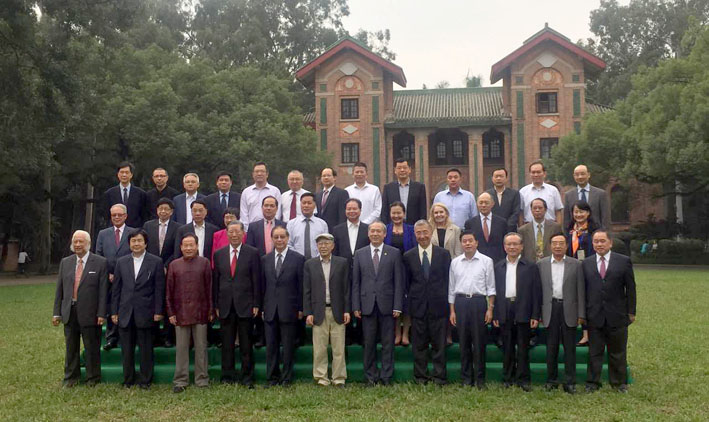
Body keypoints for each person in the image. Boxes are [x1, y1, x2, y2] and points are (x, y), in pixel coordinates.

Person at [582, 230, 636, 393]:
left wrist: (631, 311)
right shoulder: (586, 263)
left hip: (617, 314)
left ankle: (619, 383)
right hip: (594, 315)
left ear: (610, 243)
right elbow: (583, 291)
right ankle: (592, 382)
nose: (599, 244)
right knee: (594, 352)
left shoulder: (623, 261)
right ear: (592, 244)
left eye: (602, 241)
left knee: (617, 351)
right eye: (596, 241)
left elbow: (630, 288)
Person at [110, 229, 165, 389]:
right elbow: (116, 289)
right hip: (125, 311)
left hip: (146, 311)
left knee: (146, 349)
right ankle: (128, 379)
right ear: (129, 244)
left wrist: (158, 311)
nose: (136, 244)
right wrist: (114, 311)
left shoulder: (156, 262)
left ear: (145, 243)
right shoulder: (121, 262)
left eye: (139, 240)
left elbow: (159, 289)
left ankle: (145, 380)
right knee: (126, 349)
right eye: (133, 241)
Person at [52, 230, 108, 387]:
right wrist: (56, 313)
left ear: (88, 243)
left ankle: (93, 378)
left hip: (91, 312)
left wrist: (102, 313)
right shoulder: (65, 262)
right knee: (71, 347)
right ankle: (71, 378)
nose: (77, 245)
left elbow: (103, 291)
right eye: (75, 242)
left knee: (91, 347)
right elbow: (60, 290)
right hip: (69, 311)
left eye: (80, 241)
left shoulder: (100, 262)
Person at [352, 222, 404, 385]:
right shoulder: (359, 254)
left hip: (388, 305)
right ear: (368, 234)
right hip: (367, 305)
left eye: (378, 231)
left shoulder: (394, 253)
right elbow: (356, 282)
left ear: (384, 234)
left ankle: (386, 376)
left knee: (388, 343)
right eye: (372, 231)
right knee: (369, 342)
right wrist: (356, 306)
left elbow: (399, 281)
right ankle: (370, 376)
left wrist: (397, 305)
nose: (375, 234)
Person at [212, 221, 261, 387]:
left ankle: (247, 377)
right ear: (226, 234)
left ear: (243, 234)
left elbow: (256, 280)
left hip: (246, 304)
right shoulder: (219, 254)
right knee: (227, 344)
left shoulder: (252, 253)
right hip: (225, 305)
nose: (234, 235)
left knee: (246, 344)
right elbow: (216, 281)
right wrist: (216, 305)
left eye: (237, 232)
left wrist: (256, 303)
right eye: (231, 232)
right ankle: (227, 376)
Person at [403, 220, 452, 385]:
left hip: (439, 306)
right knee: (419, 345)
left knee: (439, 344)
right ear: (414, 235)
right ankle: (420, 376)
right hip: (418, 307)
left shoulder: (443, 254)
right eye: (419, 233)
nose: (422, 236)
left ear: (431, 233)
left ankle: (439, 376)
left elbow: (448, 280)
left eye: (425, 232)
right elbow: (407, 283)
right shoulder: (408, 256)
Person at [493, 232, 542, 391]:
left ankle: (523, 379)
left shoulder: (531, 266)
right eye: (509, 244)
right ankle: (508, 378)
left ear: (521, 246)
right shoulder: (498, 266)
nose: (512, 247)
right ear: (504, 247)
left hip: (524, 308)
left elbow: (536, 292)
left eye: (515, 244)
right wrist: (495, 314)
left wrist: (535, 315)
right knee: (507, 346)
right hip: (505, 308)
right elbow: (494, 292)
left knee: (522, 347)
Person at [538, 234, 585, 394]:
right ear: (550, 246)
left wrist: (581, 313)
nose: (558, 246)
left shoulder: (576, 264)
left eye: (561, 243)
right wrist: (537, 313)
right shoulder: (541, 264)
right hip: (550, 309)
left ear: (566, 246)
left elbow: (581, 290)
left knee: (569, 348)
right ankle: (551, 380)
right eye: (554, 243)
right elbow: (537, 291)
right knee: (551, 347)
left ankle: (569, 382)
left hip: (569, 309)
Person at [166, 233, 213, 393]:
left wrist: (210, 310)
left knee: (201, 348)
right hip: (180, 313)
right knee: (181, 349)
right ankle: (180, 381)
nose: (188, 248)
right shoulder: (174, 265)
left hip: (201, 312)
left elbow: (209, 288)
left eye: (191, 245)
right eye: (185, 245)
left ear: (197, 246)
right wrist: (171, 312)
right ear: (180, 247)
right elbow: (169, 291)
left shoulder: (204, 263)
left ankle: (202, 379)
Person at [448, 230, 495, 389]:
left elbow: (491, 287)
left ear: (476, 242)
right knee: (464, 342)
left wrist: (490, 309)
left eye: (470, 240)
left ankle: (480, 379)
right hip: (461, 303)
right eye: (464, 241)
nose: (467, 243)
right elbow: (451, 288)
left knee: (479, 342)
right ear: (461, 244)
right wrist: (452, 311)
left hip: (478, 302)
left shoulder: (486, 261)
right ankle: (466, 378)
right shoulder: (455, 262)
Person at [303, 233, 351, 386]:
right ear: (317, 246)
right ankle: (321, 377)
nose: (323, 246)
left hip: (337, 310)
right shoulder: (310, 264)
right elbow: (306, 290)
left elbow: (346, 288)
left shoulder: (342, 263)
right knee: (319, 348)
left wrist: (347, 310)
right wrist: (308, 312)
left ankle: (339, 378)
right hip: (318, 311)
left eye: (326, 243)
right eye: (320, 244)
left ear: (333, 246)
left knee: (338, 348)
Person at [261, 226, 305, 386]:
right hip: (270, 309)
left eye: (282, 237)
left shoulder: (298, 259)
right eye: (276, 237)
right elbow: (262, 286)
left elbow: (301, 286)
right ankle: (272, 377)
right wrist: (262, 307)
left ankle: (286, 377)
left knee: (288, 346)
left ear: (287, 239)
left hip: (290, 309)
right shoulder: (265, 259)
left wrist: (300, 308)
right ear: (272, 239)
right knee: (271, 346)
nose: (279, 240)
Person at [143, 197, 182, 347]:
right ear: (157, 210)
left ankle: (168, 337)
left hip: (168, 269)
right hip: (150, 269)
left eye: (166, 209)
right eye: (161, 209)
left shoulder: (178, 227)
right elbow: (145, 247)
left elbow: (176, 250)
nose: (163, 211)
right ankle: (153, 336)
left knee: (167, 301)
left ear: (171, 212)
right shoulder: (148, 225)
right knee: (152, 300)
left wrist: (166, 266)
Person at [96, 203, 134, 350]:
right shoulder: (103, 234)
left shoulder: (133, 232)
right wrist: (108, 274)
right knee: (111, 306)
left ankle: (128, 337)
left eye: (120, 215)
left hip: (128, 278)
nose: (117, 217)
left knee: (127, 306)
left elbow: (136, 253)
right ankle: (111, 338)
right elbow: (99, 255)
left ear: (126, 216)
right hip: (109, 278)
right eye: (114, 215)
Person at [332, 198, 370, 345]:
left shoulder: (367, 229)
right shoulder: (337, 230)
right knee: (345, 300)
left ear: (360, 210)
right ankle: (347, 335)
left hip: (363, 272)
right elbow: (335, 252)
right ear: (345, 211)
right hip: (343, 272)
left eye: (355, 209)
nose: (352, 211)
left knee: (362, 301)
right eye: (349, 209)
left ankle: (361, 335)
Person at [383, 201, 416, 346]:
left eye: (399, 213)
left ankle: (405, 333)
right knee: (394, 301)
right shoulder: (385, 229)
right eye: (393, 213)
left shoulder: (411, 229)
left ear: (404, 214)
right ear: (390, 214)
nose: (396, 216)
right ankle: (397, 333)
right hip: (389, 270)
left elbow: (415, 248)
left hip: (408, 270)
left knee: (407, 303)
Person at [381, 158, 427, 225]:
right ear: (395, 170)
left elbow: (423, 211)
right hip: (393, 226)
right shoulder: (388, 188)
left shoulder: (419, 187)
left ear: (409, 170)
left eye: (405, 168)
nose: (402, 170)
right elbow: (384, 211)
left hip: (413, 226)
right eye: (399, 168)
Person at [464, 192, 507, 263]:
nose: (483, 205)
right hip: (477, 261)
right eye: (481, 203)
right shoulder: (470, 223)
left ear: (492, 204)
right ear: (477, 204)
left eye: (486, 203)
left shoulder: (502, 222)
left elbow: (505, 243)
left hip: (498, 261)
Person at [563, 165, 611, 229]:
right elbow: (566, 220)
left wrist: (605, 233)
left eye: (582, 174)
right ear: (574, 176)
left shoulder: (600, 194)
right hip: (575, 233)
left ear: (588, 175)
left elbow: (606, 218)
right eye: (577, 175)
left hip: (596, 233)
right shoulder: (568, 195)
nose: (580, 177)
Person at [102, 161, 147, 228]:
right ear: (118, 174)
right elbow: (106, 215)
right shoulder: (109, 193)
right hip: (115, 229)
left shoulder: (141, 194)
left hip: (135, 230)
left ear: (131, 175)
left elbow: (143, 215)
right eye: (122, 172)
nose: (124, 175)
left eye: (127, 172)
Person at [240, 162, 282, 231]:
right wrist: (247, 230)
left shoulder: (275, 191)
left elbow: (278, 212)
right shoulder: (246, 192)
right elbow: (244, 214)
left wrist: (274, 229)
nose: (259, 174)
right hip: (251, 230)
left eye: (262, 171)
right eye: (257, 171)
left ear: (267, 174)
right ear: (253, 174)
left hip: (271, 229)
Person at [519, 161, 563, 225]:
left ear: (544, 174)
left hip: (550, 226)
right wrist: (521, 228)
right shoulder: (523, 192)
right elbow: (520, 213)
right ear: (530, 174)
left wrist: (558, 228)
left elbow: (558, 211)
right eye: (533, 172)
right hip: (529, 227)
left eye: (538, 172)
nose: (536, 175)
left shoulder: (553, 190)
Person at [518, 198, 563, 263]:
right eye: (534, 208)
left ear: (545, 209)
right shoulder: (523, 230)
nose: (537, 210)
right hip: (530, 264)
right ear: (531, 210)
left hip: (550, 263)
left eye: (540, 208)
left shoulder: (555, 227)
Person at [287, 193, 329, 260]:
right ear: (300, 204)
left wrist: (317, 259)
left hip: (317, 261)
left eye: (309, 203)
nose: (306, 205)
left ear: (314, 205)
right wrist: (297, 257)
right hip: (296, 261)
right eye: (304, 203)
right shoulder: (291, 224)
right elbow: (288, 244)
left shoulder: (322, 224)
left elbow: (325, 244)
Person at [486, 168, 521, 233]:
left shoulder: (514, 194)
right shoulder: (487, 194)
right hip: (492, 230)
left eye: (501, 176)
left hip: (510, 230)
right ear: (492, 179)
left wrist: (507, 226)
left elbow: (516, 212)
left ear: (506, 178)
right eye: (496, 176)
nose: (498, 178)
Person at [315, 167, 349, 232]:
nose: (326, 178)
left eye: (328, 175)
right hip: (319, 231)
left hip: (335, 231)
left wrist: (340, 232)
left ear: (334, 178)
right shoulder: (317, 195)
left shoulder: (342, 193)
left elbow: (343, 215)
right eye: (324, 176)